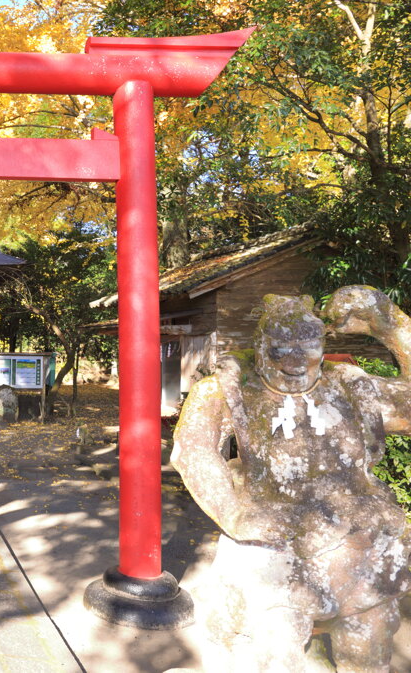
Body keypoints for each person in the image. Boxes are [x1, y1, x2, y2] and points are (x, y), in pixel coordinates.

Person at [172, 287, 411, 673]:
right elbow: (193, 451)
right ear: (260, 345)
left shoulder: (349, 387)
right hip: (273, 550)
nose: (295, 362)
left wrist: (388, 321)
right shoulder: (223, 389)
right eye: (280, 350)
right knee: (271, 655)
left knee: (369, 647)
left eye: (309, 347)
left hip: (360, 544)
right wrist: (233, 513)